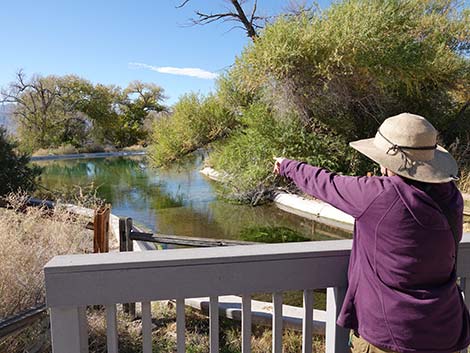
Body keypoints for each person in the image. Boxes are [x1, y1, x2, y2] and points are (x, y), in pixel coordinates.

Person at [273, 113, 470, 353]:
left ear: (387, 161)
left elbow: (325, 183)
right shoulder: (452, 198)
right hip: (444, 331)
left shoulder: (377, 195)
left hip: (391, 335)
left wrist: (287, 166)